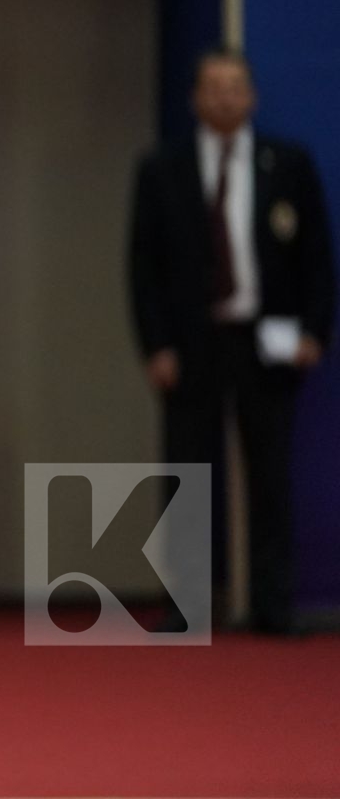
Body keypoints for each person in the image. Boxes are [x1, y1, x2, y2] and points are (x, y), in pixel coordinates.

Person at [128, 48, 335, 635]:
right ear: (196, 98)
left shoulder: (287, 165)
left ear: (252, 97)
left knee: (270, 475)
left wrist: (314, 331)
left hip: (266, 339)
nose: (225, 97)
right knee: (186, 476)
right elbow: (143, 266)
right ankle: (186, 602)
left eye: (236, 87)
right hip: (191, 343)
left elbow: (317, 257)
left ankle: (273, 604)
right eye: (214, 88)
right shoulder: (161, 168)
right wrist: (156, 345)